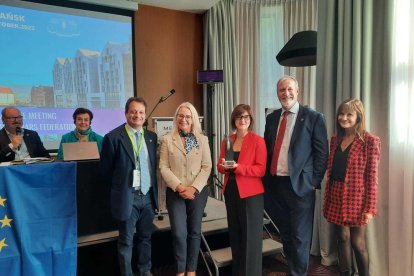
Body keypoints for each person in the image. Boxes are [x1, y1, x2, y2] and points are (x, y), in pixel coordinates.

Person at [263, 75, 328, 276]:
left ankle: (298, 273)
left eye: (290, 89)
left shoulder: (313, 117)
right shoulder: (272, 118)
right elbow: (267, 150)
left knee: (300, 236)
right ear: (277, 93)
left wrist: (314, 182)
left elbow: (321, 153)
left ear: (297, 92)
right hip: (275, 185)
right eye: (282, 90)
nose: (286, 93)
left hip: (301, 186)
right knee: (286, 235)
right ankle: (292, 270)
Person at [100, 97, 158, 276]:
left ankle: (144, 270)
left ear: (145, 115)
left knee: (145, 238)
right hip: (127, 197)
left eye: (141, 112)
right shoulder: (113, 138)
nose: (137, 115)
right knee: (126, 241)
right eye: (133, 111)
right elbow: (105, 172)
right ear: (126, 113)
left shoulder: (151, 137)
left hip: (147, 196)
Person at [323, 99, 380, 276]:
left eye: (349, 114)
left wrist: (370, 208)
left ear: (359, 117)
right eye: (341, 113)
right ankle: (345, 273)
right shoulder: (335, 139)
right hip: (336, 194)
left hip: (357, 199)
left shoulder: (370, 141)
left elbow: (372, 176)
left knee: (358, 243)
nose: (344, 118)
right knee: (342, 237)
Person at [159, 102, 212, 276]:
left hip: (198, 191)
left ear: (193, 119)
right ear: (176, 118)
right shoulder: (167, 139)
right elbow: (163, 167)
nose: (184, 119)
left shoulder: (202, 139)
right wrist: (180, 187)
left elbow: (207, 166)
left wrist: (193, 188)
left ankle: (191, 270)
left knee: (195, 231)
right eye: (181, 115)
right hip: (176, 192)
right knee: (179, 233)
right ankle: (180, 270)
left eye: (188, 116)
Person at [217, 104, 267, 276]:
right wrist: (224, 167)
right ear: (234, 120)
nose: (242, 120)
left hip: (251, 195)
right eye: (239, 117)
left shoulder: (258, 141)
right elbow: (220, 165)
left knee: (250, 238)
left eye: (246, 117)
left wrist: (238, 167)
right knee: (236, 236)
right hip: (231, 190)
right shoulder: (228, 140)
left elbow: (260, 170)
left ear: (250, 120)